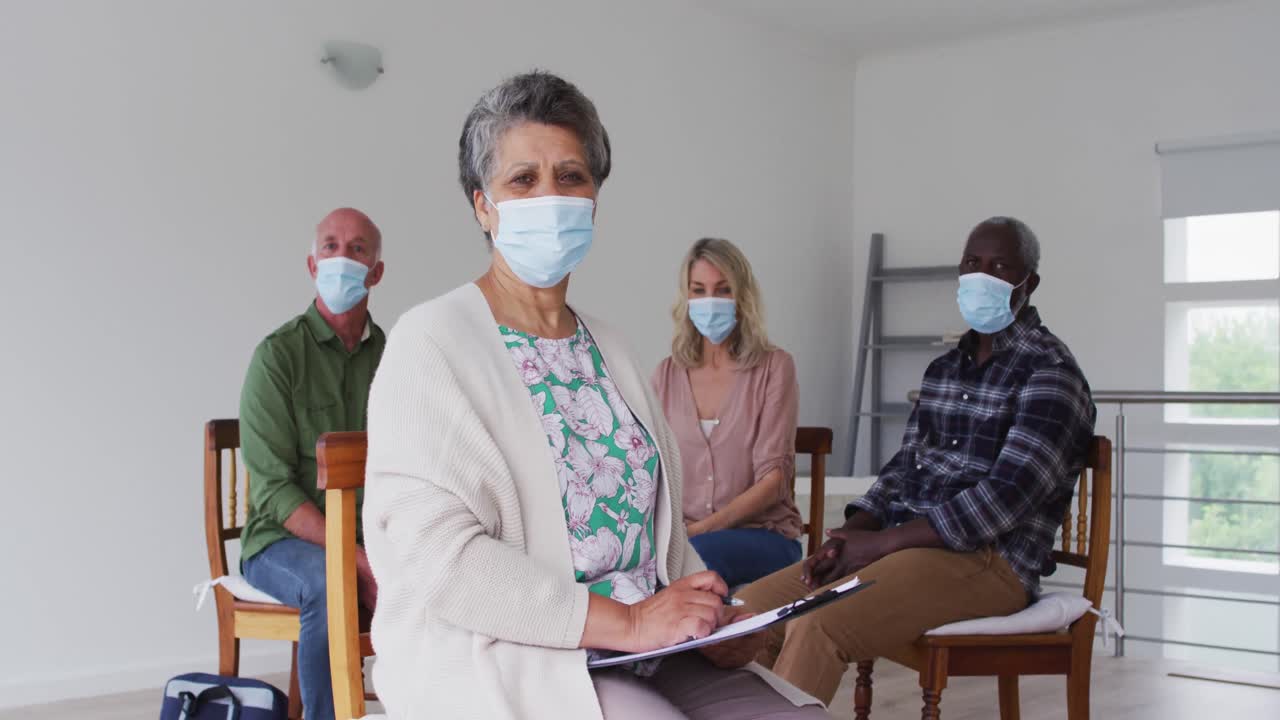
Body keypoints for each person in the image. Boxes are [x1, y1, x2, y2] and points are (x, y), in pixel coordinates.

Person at [362, 71, 829, 720]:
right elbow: (443, 562)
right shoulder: (431, 341)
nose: (550, 196)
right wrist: (629, 623)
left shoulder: (611, 347)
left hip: (648, 645)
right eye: (523, 180)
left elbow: (658, 532)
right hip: (511, 652)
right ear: (482, 206)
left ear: (594, 200)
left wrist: (710, 614)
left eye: (571, 176)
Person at [737, 216, 1096, 705]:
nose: (982, 276)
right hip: (910, 552)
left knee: (818, 626)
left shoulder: (1052, 374)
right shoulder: (945, 369)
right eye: (973, 263)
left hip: (991, 565)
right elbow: (903, 471)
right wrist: (853, 536)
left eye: (1000, 266)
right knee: (746, 613)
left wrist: (884, 544)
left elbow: (1003, 500)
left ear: (1027, 283)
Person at [238, 208, 386, 720]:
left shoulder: (396, 358)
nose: (342, 258)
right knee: (331, 582)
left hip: (367, 536)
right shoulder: (277, 358)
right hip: (281, 544)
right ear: (311, 264)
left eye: (358, 249)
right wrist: (358, 559)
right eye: (330, 246)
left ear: (377, 272)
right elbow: (275, 493)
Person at [652, 238, 803, 587]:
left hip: (763, 537)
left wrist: (695, 532)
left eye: (722, 290)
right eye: (699, 290)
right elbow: (652, 470)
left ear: (742, 297)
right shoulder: (666, 375)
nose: (710, 301)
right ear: (686, 297)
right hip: (686, 538)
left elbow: (773, 481)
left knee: (696, 557)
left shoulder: (774, 368)